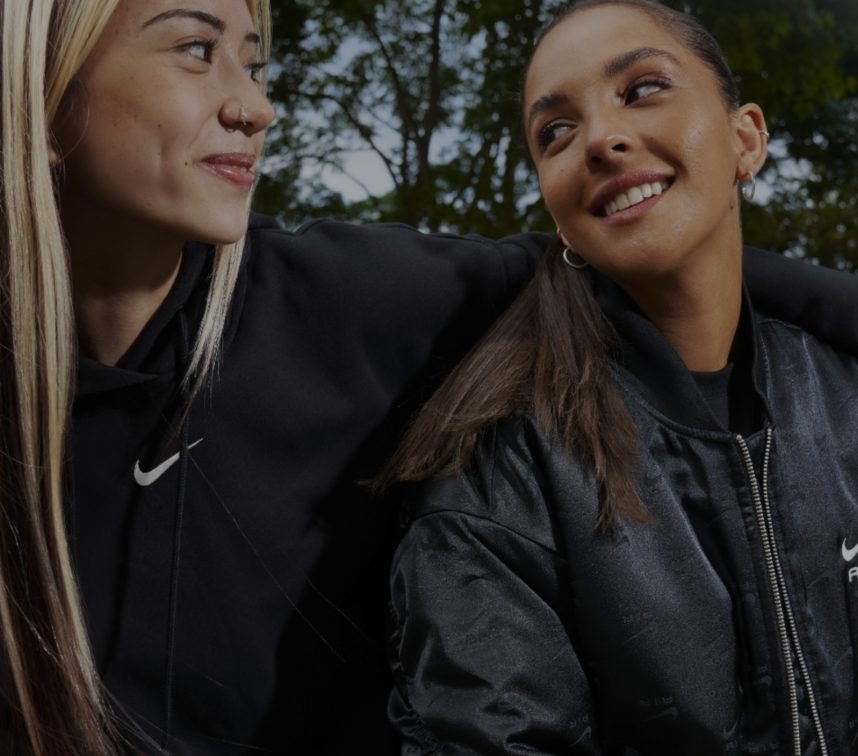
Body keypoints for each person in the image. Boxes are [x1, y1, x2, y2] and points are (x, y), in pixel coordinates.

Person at [1, 0, 856, 753]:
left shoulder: (345, 300)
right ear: (43, 86)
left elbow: (634, 256)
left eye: (254, 65)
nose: (255, 107)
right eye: (197, 50)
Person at [381, 1, 858, 754]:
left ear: (746, 139)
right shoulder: (502, 472)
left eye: (641, 90)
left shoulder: (843, 396)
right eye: (556, 132)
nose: (601, 139)